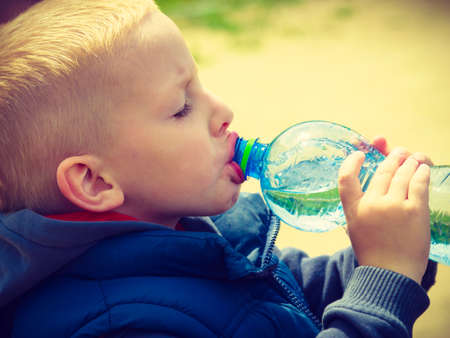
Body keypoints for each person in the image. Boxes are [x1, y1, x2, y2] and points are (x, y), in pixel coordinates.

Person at [0, 0, 437, 337]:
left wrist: (389, 246)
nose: (223, 110)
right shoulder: (120, 324)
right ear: (95, 182)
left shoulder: (201, 229)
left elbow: (296, 297)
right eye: (181, 107)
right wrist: (386, 275)